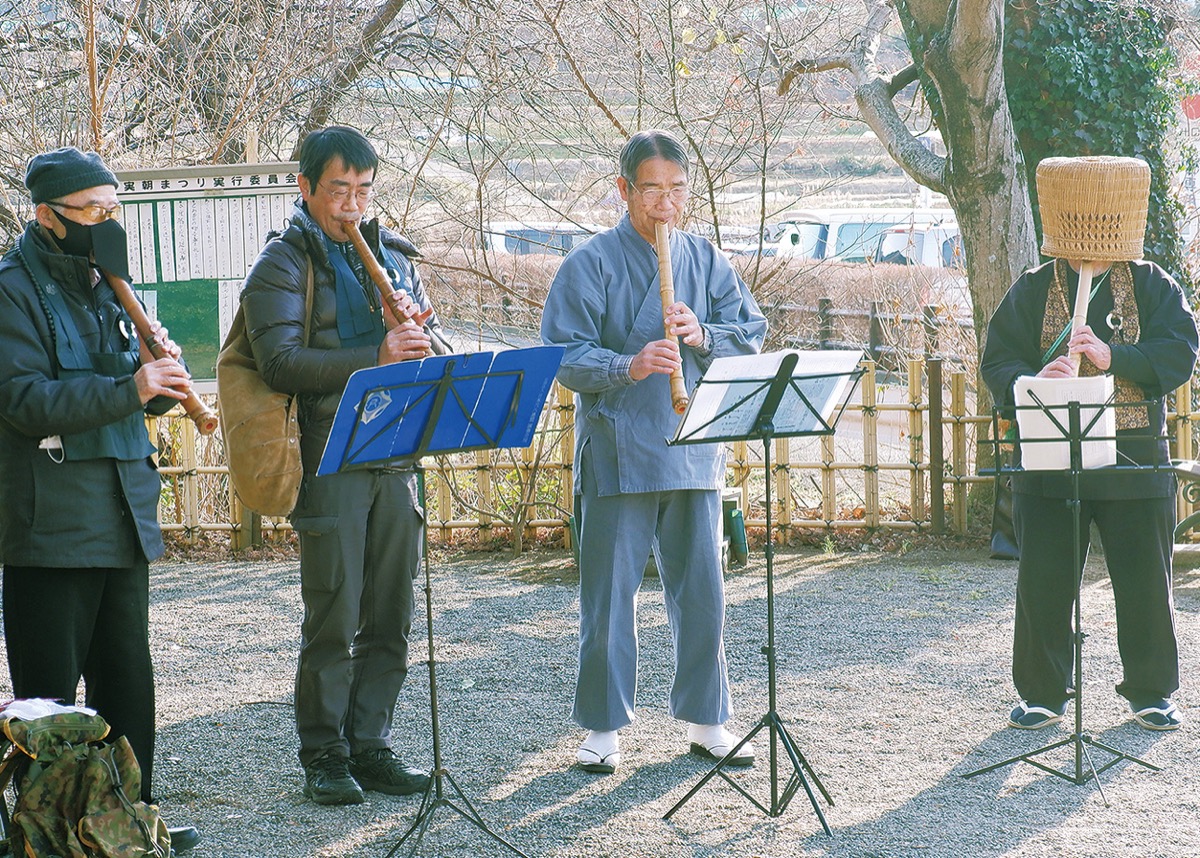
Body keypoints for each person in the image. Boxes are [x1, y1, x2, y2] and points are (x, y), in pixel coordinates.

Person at [541, 129, 768, 773]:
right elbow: (563, 355)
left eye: (675, 190)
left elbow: (748, 333)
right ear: (624, 190)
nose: (665, 204)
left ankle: (706, 719)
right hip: (618, 448)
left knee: (703, 590)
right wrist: (630, 364)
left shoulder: (705, 258)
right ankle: (602, 729)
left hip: (694, 445)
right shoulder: (591, 262)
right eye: (652, 191)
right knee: (608, 596)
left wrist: (704, 333)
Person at [240, 126, 448, 805]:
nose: (352, 205)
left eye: (363, 190)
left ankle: (372, 745)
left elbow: (427, 351)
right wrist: (378, 355)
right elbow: (280, 364)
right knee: (334, 613)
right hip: (328, 457)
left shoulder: (396, 257)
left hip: (396, 455)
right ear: (305, 188)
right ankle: (324, 755)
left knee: (391, 613)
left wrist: (422, 334)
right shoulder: (281, 265)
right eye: (338, 190)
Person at [0, 146, 200, 851]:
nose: (104, 224)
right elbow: (23, 400)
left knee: (127, 685)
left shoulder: (99, 280)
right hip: (50, 524)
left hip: (121, 511)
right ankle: (47, 832)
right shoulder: (9, 288)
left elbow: (124, 394)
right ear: (46, 215)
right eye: (91, 212)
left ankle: (131, 825)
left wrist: (154, 379)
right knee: (50, 701)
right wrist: (132, 386)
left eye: (112, 211)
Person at [980, 155, 1198, 733]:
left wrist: (1111, 356)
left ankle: (1151, 691)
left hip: (1133, 455)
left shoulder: (1151, 283)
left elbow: (1180, 353)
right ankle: (1042, 693)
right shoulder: (1033, 288)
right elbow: (997, 358)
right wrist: (1033, 380)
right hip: (1053, 454)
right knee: (1045, 579)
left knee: (1145, 579)